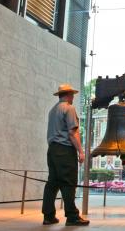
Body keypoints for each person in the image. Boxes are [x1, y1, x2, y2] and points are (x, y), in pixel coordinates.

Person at [42, 84, 89, 226]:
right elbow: (72, 133)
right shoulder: (69, 108)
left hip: (52, 150)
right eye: (72, 95)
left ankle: (48, 216)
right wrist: (81, 151)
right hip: (65, 150)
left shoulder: (52, 110)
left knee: (52, 183)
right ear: (68, 95)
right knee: (69, 182)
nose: (73, 97)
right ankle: (72, 216)